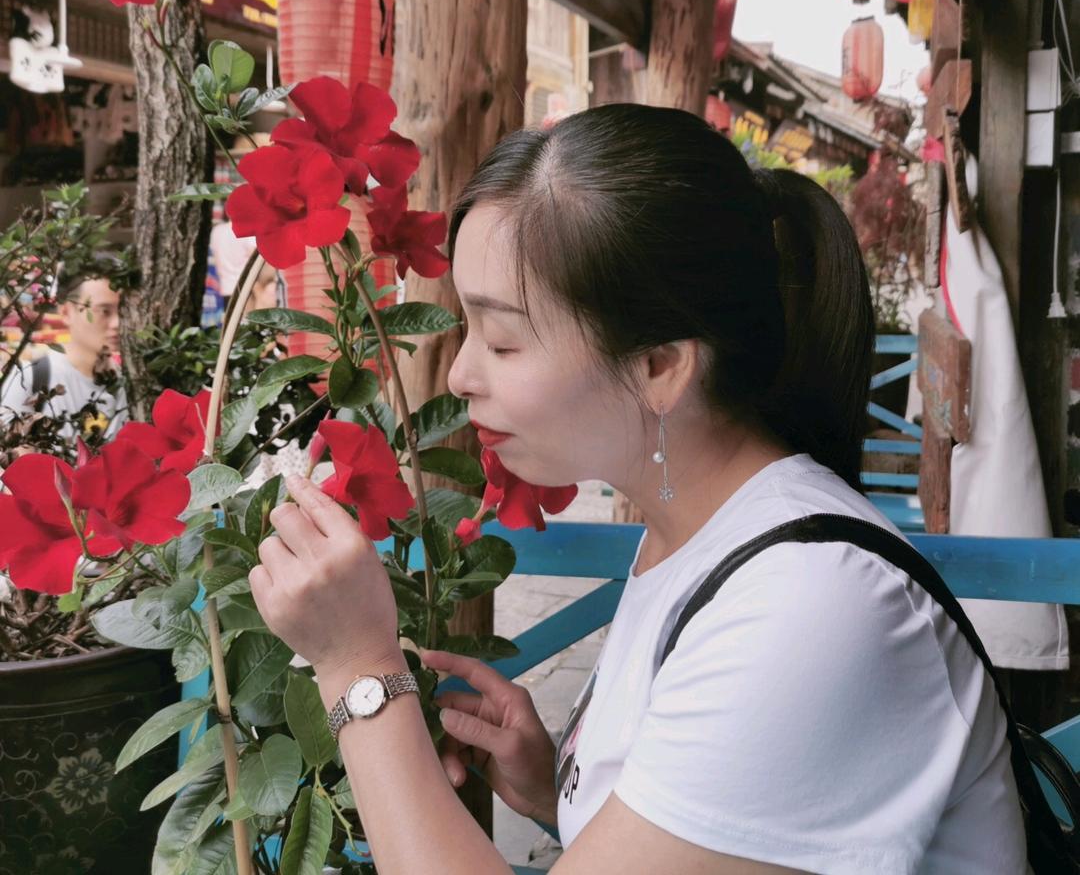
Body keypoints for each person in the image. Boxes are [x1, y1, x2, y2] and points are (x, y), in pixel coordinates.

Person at [249, 105, 1027, 874]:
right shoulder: (693, 530)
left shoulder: (810, 602)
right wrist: (559, 792)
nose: (459, 376)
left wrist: (358, 667)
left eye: (504, 341)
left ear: (660, 367)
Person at [0, 270, 128, 443]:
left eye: (123, 311)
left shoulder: (130, 382)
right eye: (104, 311)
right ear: (66, 312)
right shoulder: (31, 375)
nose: (117, 323)